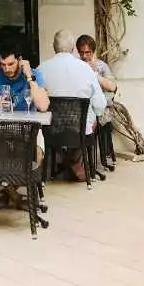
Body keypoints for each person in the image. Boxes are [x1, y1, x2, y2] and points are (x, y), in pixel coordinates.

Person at [39, 30, 107, 181]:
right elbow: (100, 105)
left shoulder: (41, 69)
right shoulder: (86, 69)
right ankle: (73, 161)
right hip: (79, 130)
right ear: (72, 49)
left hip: (50, 130)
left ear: (54, 47)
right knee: (93, 120)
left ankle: (66, 161)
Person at [76, 34, 118, 170]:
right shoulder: (75, 65)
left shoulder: (101, 66)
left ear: (92, 52)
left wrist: (94, 74)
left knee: (90, 120)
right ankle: (77, 160)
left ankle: (85, 162)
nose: (84, 56)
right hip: (81, 106)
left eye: (87, 52)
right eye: (81, 52)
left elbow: (112, 87)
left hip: (99, 107)